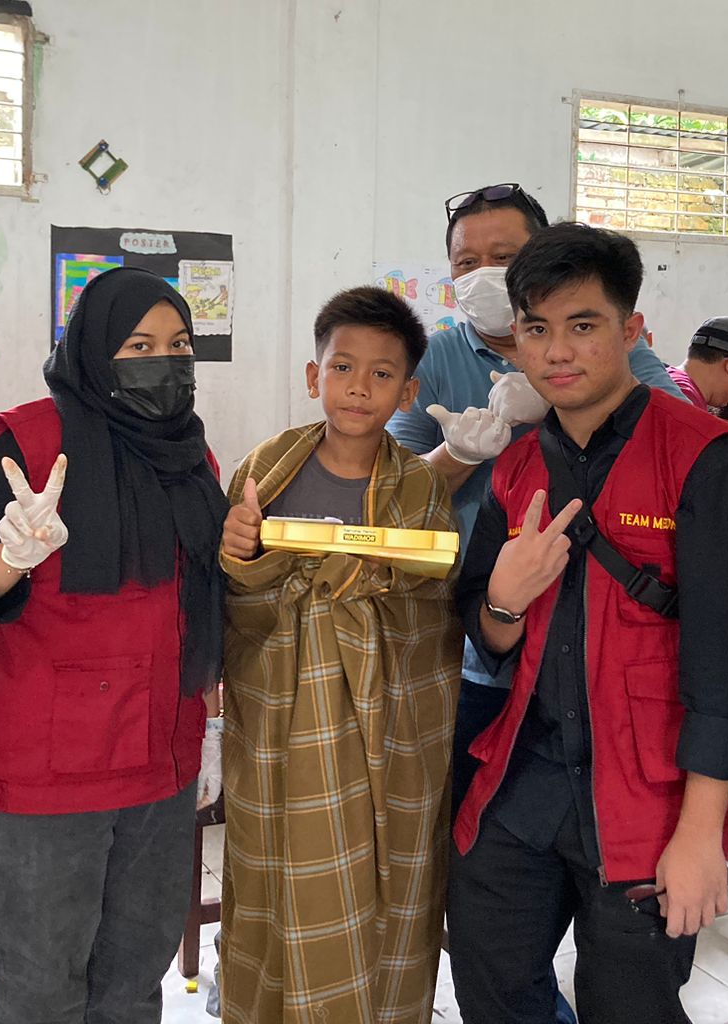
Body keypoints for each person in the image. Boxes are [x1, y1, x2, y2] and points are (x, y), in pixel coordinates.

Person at [446, 224, 728, 1023]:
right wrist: (504, 601)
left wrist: (700, 838)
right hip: (524, 778)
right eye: (536, 329)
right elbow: (484, 626)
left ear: (632, 330)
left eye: (583, 325)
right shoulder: (518, 465)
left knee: (629, 1006)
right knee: (490, 983)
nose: (558, 352)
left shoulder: (705, 459)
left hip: (650, 797)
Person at [0, 267, 225, 1024]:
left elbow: (201, 601)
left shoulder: (190, 454)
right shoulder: (30, 440)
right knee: (42, 993)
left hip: (161, 760)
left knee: (133, 985)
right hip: (45, 772)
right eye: (139, 345)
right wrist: (13, 558)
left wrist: (207, 727)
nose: (163, 361)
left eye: (178, 345)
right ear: (95, 350)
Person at [217, 286, 459, 1023]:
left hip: (387, 737)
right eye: (343, 367)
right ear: (312, 375)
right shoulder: (266, 469)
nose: (359, 387)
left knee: (381, 884)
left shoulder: (419, 486)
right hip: (279, 731)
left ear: (407, 392)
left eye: (382, 374)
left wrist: (351, 585)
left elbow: (431, 618)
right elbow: (236, 602)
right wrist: (242, 556)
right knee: (274, 873)